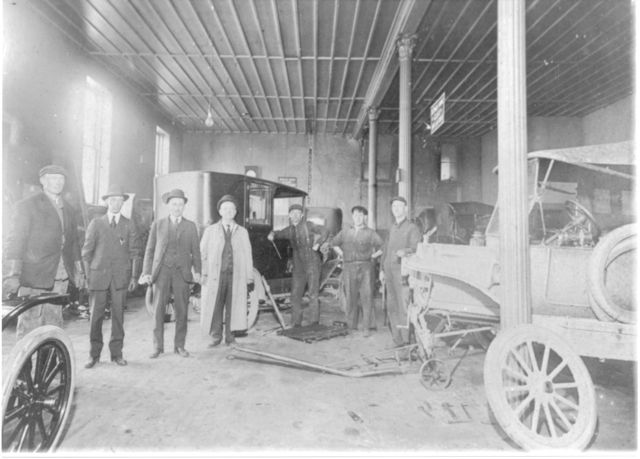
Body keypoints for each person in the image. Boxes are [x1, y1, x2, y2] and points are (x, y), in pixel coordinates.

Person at [3, 164, 85, 339]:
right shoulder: (27, 206)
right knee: (30, 327)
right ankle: (26, 366)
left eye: (61, 179)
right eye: (53, 178)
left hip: (60, 278)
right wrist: (12, 275)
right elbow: (15, 241)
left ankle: (48, 365)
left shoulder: (69, 209)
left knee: (54, 326)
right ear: (43, 181)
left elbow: (74, 243)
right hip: (34, 277)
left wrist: (78, 271)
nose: (57, 182)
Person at [82, 185, 141, 368]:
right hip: (98, 276)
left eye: (120, 200)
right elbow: (86, 252)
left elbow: (135, 252)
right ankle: (94, 355)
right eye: (113, 200)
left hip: (120, 278)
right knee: (96, 316)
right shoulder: (96, 223)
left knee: (118, 317)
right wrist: (87, 276)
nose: (116, 203)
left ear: (124, 203)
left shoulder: (129, 223)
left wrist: (133, 277)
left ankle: (117, 354)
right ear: (107, 202)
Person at [139, 189, 201, 358]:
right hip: (162, 272)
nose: (177, 207)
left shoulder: (190, 226)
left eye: (180, 204)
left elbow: (196, 251)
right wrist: (146, 272)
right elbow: (150, 250)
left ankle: (179, 346)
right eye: (174, 204)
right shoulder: (158, 225)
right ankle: (157, 347)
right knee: (158, 310)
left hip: (182, 273)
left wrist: (198, 271)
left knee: (182, 311)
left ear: (184, 206)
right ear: (168, 205)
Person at [199, 195, 254, 346]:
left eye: (232, 209)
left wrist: (249, 277)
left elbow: (248, 255)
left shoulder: (242, 232)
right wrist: (203, 273)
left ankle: (230, 337)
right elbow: (201, 253)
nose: (228, 211)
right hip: (215, 276)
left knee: (234, 305)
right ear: (220, 211)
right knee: (215, 305)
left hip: (236, 276)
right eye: (225, 208)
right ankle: (216, 336)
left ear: (235, 212)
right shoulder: (210, 231)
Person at [267, 204, 329, 328]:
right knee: (295, 294)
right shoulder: (289, 230)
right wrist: (272, 233)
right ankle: (296, 323)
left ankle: (314, 323)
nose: (295, 215)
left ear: (301, 215)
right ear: (289, 215)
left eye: (297, 213)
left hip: (312, 261)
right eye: (292, 213)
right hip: (298, 263)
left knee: (313, 293)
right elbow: (278, 233)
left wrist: (318, 243)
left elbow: (325, 231)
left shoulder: (309, 225)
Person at [330, 205, 383, 336]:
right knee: (350, 297)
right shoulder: (345, 231)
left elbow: (382, 246)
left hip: (366, 268)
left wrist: (373, 256)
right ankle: (350, 325)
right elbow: (333, 243)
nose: (358, 218)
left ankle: (366, 327)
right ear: (352, 217)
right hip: (349, 267)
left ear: (365, 217)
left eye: (360, 215)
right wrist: (342, 254)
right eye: (355, 215)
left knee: (366, 296)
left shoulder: (370, 233)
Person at [379, 196, 421, 347]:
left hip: (402, 274)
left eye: (399, 206)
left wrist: (405, 251)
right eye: (394, 206)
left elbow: (417, 248)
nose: (396, 209)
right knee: (392, 307)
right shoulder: (392, 227)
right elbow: (385, 249)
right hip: (389, 273)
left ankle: (406, 340)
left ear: (405, 209)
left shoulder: (412, 228)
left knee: (403, 308)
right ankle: (397, 340)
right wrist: (381, 270)